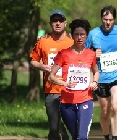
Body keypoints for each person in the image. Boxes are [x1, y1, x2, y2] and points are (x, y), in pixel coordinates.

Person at [85, 6, 117, 140]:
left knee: (115, 106)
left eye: (111, 20)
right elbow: (84, 53)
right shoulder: (93, 34)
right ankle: (106, 136)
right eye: (105, 19)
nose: (108, 22)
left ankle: (115, 138)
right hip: (101, 77)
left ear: (114, 19)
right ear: (101, 18)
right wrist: (93, 54)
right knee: (105, 112)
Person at [48, 19, 99, 140]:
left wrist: (95, 82)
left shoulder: (91, 54)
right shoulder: (64, 54)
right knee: (75, 136)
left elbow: (96, 72)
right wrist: (65, 83)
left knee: (82, 137)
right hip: (67, 102)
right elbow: (51, 76)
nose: (80, 37)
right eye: (77, 34)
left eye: (83, 35)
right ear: (71, 35)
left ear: (87, 36)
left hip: (85, 99)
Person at [30, 9, 74, 140]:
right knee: (54, 127)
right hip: (51, 89)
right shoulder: (43, 41)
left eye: (60, 20)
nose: (58, 23)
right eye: (55, 21)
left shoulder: (72, 41)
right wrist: (43, 66)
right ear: (50, 23)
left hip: (70, 89)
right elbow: (33, 61)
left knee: (69, 126)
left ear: (65, 23)